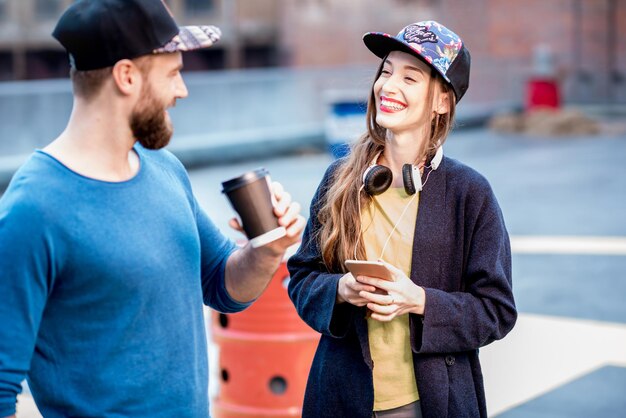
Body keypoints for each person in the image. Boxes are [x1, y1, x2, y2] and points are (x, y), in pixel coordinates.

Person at [0, 1, 305, 417]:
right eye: (173, 73)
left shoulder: (164, 168)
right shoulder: (32, 210)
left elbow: (222, 284)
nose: (182, 90)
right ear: (126, 76)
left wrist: (266, 250)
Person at [287, 21, 517, 418]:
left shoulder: (470, 193)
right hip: (341, 398)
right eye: (386, 72)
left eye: (409, 77)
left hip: (428, 404)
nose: (388, 86)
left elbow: (496, 310)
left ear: (442, 102)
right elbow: (302, 277)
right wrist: (340, 289)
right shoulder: (338, 179)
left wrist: (421, 301)